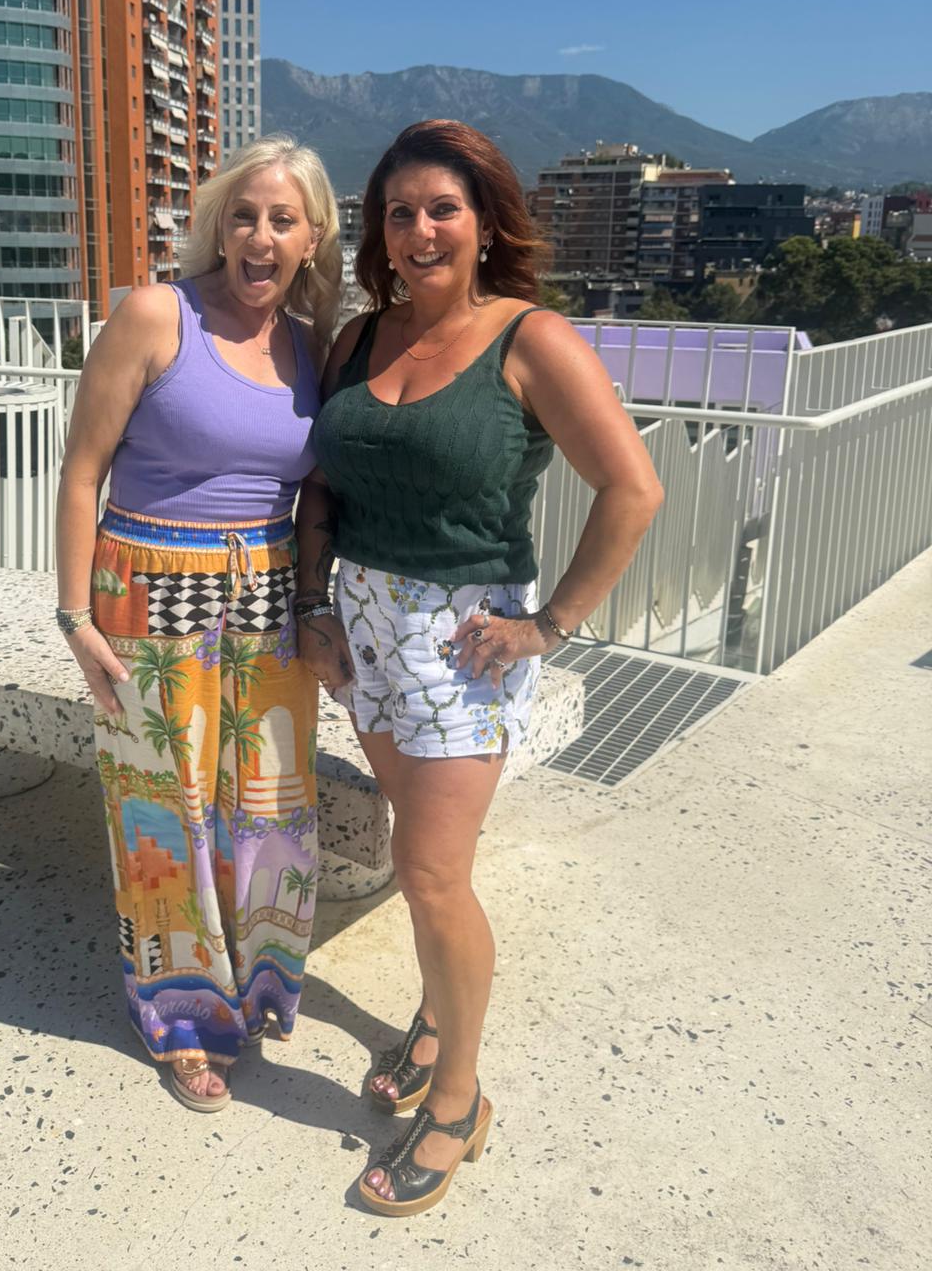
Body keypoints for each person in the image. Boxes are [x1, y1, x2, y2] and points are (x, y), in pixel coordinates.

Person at [296, 120, 663, 1216]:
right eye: (398, 212)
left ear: (486, 222)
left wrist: (550, 624)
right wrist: (313, 604)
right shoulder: (359, 339)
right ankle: (434, 1014)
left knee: (430, 872)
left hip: (465, 642)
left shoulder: (530, 338)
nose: (419, 230)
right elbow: (323, 486)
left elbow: (633, 489)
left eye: (441, 209)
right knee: (423, 858)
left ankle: (458, 1100)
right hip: (364, 627)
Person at [57, 135, 341, 1112]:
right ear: (220, 225)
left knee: (270, 809)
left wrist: (317, 601)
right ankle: (181, 1017)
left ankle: (256, 988)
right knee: (166, 814)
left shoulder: (312, 344)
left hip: (267, 598)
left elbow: (314, 492)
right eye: (244, 215)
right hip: (149, 592)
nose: (260, 236)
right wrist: (74, 616)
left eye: (283, 220)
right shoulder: (155, 315)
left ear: (311, 238)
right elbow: (83, 472)